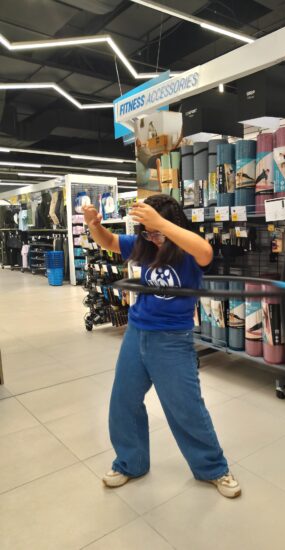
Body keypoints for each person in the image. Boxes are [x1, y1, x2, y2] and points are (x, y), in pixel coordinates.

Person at [83, 194, 241, 499]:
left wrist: (161, 226)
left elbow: (206, 251)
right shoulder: (144, 244)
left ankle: (213, 468)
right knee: (123, 402)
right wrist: (93, 225)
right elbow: (110, 242)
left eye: (156, 233)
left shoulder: (187, 250)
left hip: (172, 340)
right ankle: (130, 463)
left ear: (171, 225)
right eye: (147, 233)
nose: (152, 238)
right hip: (136, 333)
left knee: (186, 408)